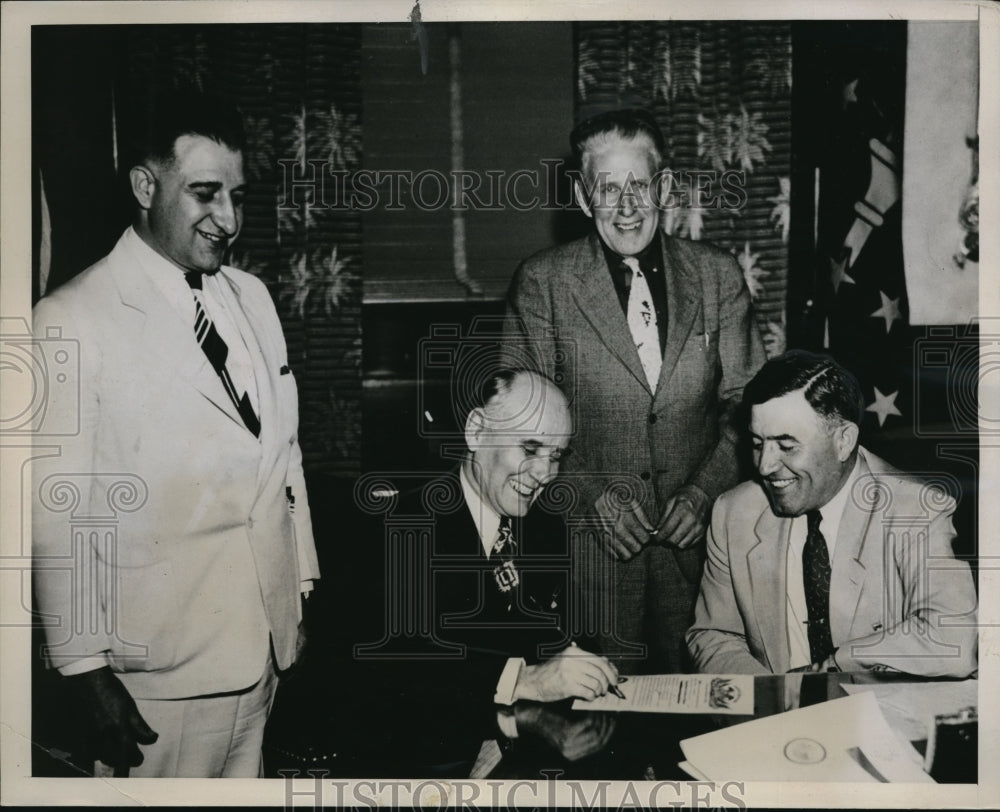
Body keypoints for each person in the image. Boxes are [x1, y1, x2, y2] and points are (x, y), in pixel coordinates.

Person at [31, 89, 320, 777]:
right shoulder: (71, 318)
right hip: (153, 673)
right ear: (144, 184)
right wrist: (82, 669)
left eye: (237, 196)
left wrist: (300, 586)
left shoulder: (250, 296)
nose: (228, 219)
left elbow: (283, 456)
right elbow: (58, 510)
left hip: (263, 651)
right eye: (205, 194)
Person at [505, 108, 766, 672]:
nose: (625, 206)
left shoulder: (716, 276)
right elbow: (520, 421)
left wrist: (702, 494)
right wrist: (589, 495)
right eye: (607, 187)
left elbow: (751, 406)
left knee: (701, 717)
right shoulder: (542, 283)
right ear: (582, 196)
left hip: (701, 554)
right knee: (600, 727)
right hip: (590, 557)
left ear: (664, 187)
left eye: (639, 185)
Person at [355, 369, 618, 775]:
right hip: (427, 763)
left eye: (557, 455)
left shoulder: (544, 525)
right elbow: (397, 675)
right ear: (477, 432)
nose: (546, 474)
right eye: (530, 448)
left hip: (525, 752)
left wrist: (585, 666)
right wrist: (526, 679)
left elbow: (572, 634)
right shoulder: (403, 527)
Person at [686, 351, 977, 676]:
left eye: (786, 446)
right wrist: (769, 700)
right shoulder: (733, 512)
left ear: (844, 441)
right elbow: (715, 635)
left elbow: (954, 641)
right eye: (757, 444)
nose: (765, 466)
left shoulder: (916, 509)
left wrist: (834, 667)